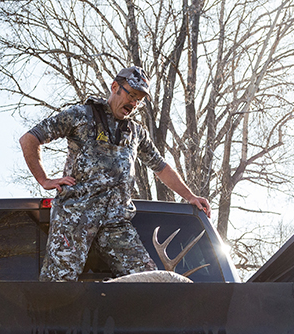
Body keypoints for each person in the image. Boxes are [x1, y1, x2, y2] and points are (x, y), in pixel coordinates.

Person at [20, 66, 212, 282]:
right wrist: (44, 179)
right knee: (56, 289)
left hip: (116, 225)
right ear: (115, 87)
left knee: (152, 283)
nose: (133, 103)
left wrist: (190, 196)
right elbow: (30, 138)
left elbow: (161, 167)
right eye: (131, 95)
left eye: (139, 100)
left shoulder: (136, 133)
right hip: (75, 221)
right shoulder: (81, 116)